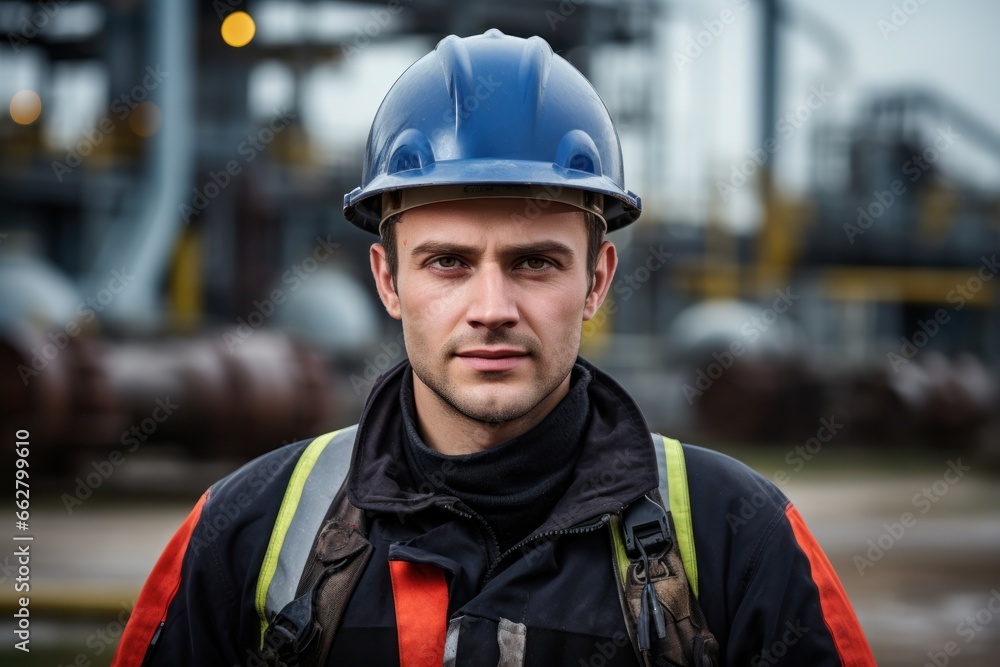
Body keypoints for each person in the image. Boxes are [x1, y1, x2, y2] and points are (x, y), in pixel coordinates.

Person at [112, 30, 875, 666]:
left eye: (534, 262)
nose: (492, 310)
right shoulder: (247, 527)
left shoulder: (738, 533)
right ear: (388, 279)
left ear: (596, 279)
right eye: (448, 261)